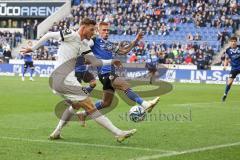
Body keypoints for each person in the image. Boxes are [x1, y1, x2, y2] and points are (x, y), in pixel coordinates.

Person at [20, 18, 136, 142]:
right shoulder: (71, 34)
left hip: (62, 79)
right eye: (91, 29)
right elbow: (49, 35)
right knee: (91, 107)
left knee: (76, 105)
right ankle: (118, 133)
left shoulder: (84, 44)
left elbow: (95, 62)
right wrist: (33, 48)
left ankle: (57, 132)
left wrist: (112, 61)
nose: (93, 32)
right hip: (63, 78)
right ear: (83, 27)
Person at [76, 22, 160, 126]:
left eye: (108, 30)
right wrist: (85, 59)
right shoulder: (94, 41)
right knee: (125, 85)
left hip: (109, 73)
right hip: (104, 73)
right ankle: (145, 104)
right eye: (104, 30)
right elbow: (82, 47)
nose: (106, 32)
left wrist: (136, 40)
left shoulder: (109, 44)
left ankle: (84, 114)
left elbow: (123, 51)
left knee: (106, 103)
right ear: (98, 31)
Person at [222, 36, 240, 102]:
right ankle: (225, 94)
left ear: (236, 42)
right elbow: (226, 59)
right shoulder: (228, 50)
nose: (233, 43)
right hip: (234, 68)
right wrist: (224, 66)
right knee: (229, 82)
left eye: (234, 41)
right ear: (230, 42)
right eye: (232, 41)